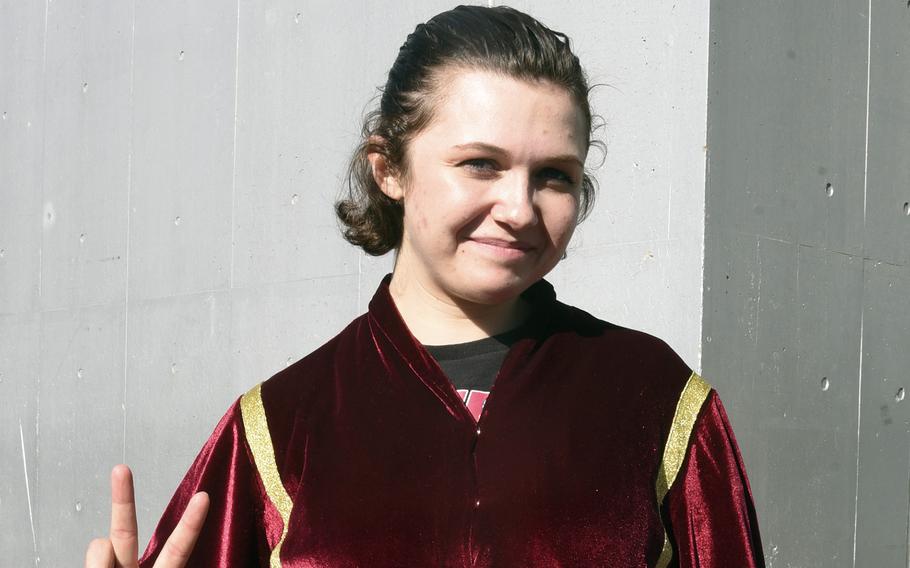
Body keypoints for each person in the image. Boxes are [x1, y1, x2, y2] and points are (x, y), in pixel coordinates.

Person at [85, 5, 764, 567]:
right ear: (389, 168)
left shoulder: (655, 400)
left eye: (554, 175)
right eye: (480, 164)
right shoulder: (281, 426)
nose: (520, 207)